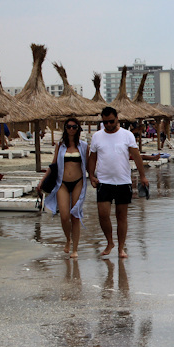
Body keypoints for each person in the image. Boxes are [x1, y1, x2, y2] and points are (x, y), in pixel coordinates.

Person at [87, 106, 149, 258]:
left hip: (123, 181)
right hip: (104, 181)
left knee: (121, 216)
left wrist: (142, 176)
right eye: (105, 122)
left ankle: (121, 248)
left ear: (117, 119)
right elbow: (92, 158)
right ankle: (110, 242)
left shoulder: (127, 135)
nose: (108, 124)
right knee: (103, 214)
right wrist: (91, 175)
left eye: (111, 121)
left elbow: (136, 156)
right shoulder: (97, 136)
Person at [43, 117, 88, 258]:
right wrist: (42, 181)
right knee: (64, 216)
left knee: (75, 215)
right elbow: (53, 164)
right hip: (61, 183)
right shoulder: (60, 145)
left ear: (78, 129)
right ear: (65, 128)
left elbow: (90, 164)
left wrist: (94, 177)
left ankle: (75, 248)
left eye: (74, 127)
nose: (71, 129)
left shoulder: (84, 146)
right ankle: (68, 239)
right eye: (69, 127)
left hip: (78, 182)